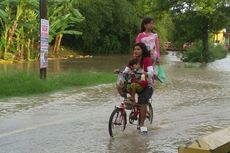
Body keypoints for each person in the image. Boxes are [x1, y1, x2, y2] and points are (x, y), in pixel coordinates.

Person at [123, 42, 154, 133]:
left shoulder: (147, 60)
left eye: (138, 49)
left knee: (143, 101)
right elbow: (126, 70)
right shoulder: (133, 60)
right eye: (134, 49)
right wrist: (120, 72)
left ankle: (142, 124)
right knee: (122, 89)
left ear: (143, 50)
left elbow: (151, 72)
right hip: (136, 84)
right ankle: (134, 105)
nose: (135, 51)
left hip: (147, 85)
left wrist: (146, 73)